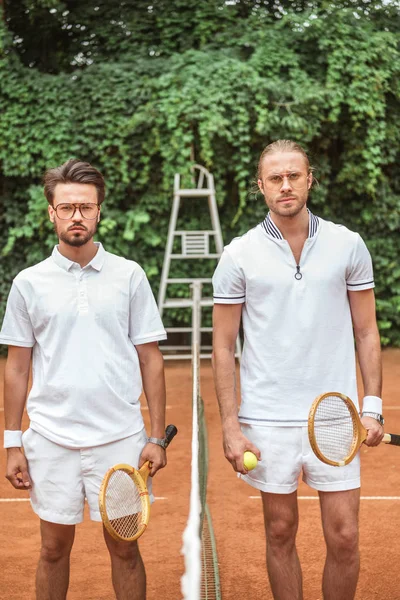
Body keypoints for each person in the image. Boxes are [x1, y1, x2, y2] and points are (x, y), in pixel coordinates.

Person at [211, 140, 384, 600]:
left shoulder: (348, 245)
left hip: (336, 416)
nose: (285, 185)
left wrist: (372, 408)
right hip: (267, 417)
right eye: (275, 178)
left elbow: (367, 332)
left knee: (345, 536)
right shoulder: (238, 254)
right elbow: (223, 346)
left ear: (310, 179)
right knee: (280, 532)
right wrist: (231, 426)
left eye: (294, 175)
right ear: (261, 187)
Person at [1, 159, 168, 600]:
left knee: (125, 550)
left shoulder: (129, 275)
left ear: (98, 213)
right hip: (52, 440)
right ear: (51, 213)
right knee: (53, 550)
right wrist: (12, 441)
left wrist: (156, 437)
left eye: (86, 207)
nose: (77, 215)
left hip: (120, 439)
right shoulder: (28, 283)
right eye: (68, 207)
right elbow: (17, 366)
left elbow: (151, 359)